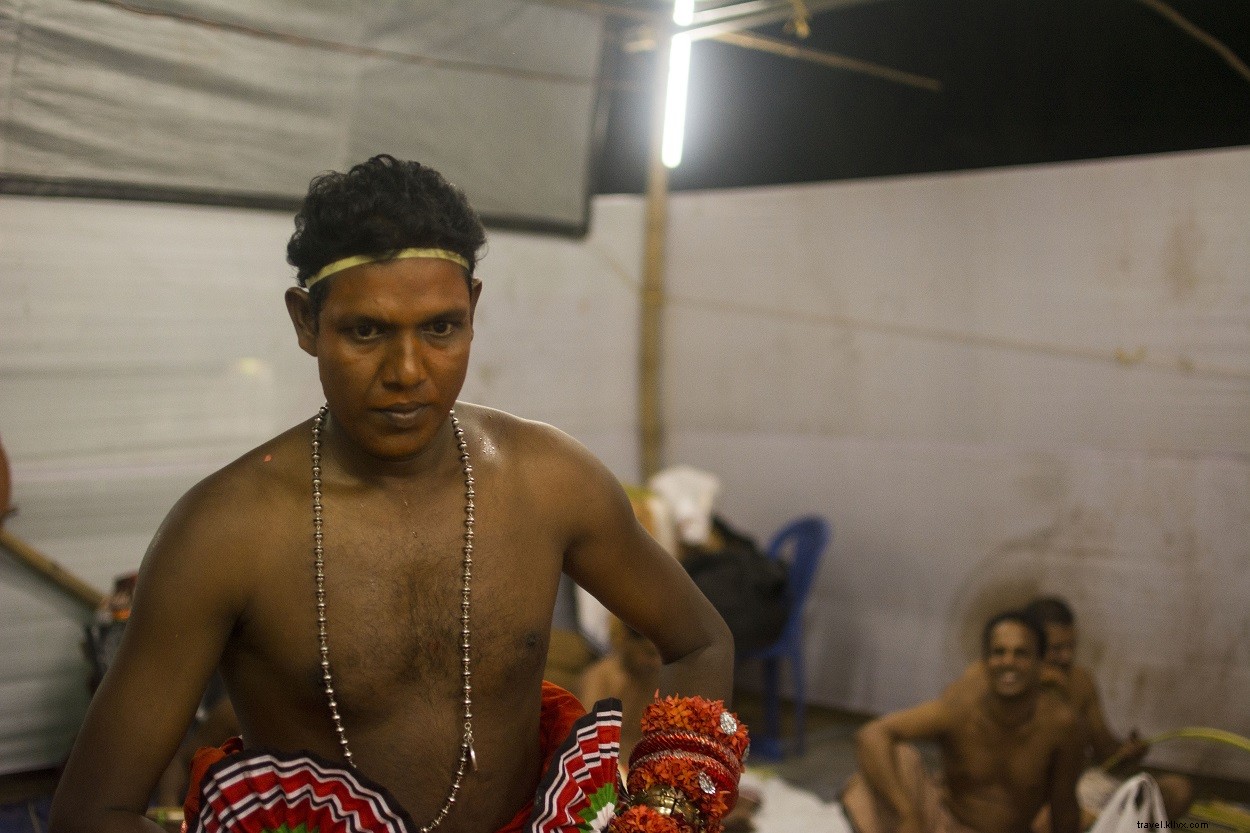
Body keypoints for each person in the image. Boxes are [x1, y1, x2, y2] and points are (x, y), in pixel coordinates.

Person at [49, 155, 735, 833]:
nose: (407, 371)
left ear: (473, 308)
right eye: (366, 330)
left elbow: (700, 641)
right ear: (305, 323)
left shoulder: (550, 480)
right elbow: (89, 813)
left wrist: (665, 814)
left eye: (440, 327)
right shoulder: (225, 532)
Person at [842, 610, 1084, 833]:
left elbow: (1064, 807)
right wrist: (907, 814)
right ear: (985, 661)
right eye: (999, 653)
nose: (1008, 662)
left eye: (1021, 654)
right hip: (946, 824)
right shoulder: (961, 707)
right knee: (898, 759)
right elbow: (871, 734)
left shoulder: (1061, 726)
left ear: (1040, 664)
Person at [1021, 596, 1194, 826]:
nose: (1067, 656)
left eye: (1071, 646)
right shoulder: (1015, 686)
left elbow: (1106, 752)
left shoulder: (1081, 681)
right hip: (1035, 798)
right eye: (1057, 649)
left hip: (1085, 787)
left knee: (1179, 790)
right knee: (1047, 821)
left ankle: (1111, 822)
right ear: (1033, 645)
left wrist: (1127, 752)